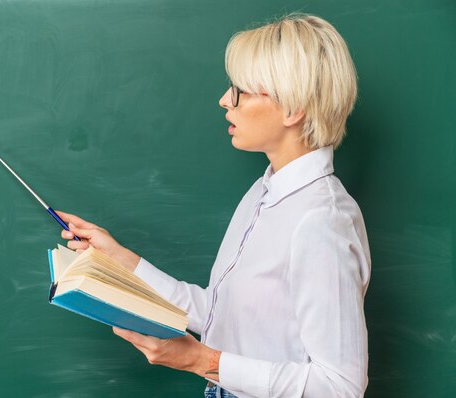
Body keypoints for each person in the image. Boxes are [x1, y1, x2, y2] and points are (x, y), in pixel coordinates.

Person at [57, 13, 371, 398]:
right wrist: (120, 260)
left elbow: (340, 386)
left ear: (293, 108)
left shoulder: (322, 220)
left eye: (241, 90)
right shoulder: (264, 192)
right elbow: (221, 314)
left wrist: (200, 361)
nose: (225, 100)